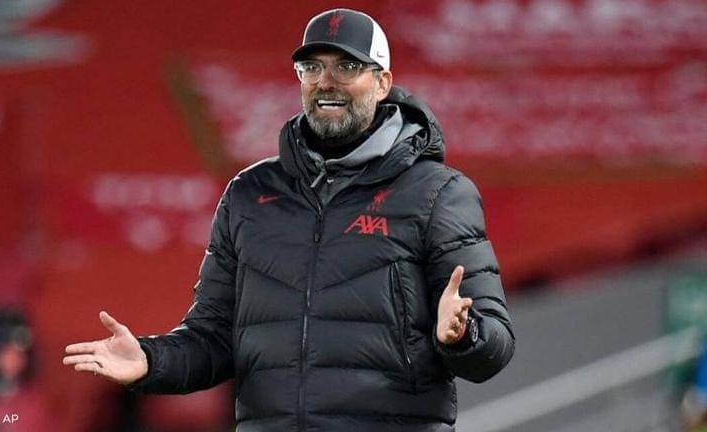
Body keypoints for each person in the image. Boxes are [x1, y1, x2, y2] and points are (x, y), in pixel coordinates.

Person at [63, 8, 515, 431]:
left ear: (382, 83)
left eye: (347, 67)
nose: (326, 82)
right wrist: (150, 360)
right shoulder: (249, 193)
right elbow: (214, 338)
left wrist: (463, 336)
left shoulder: (438, 193)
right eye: (312, 68)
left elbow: (495, 344)